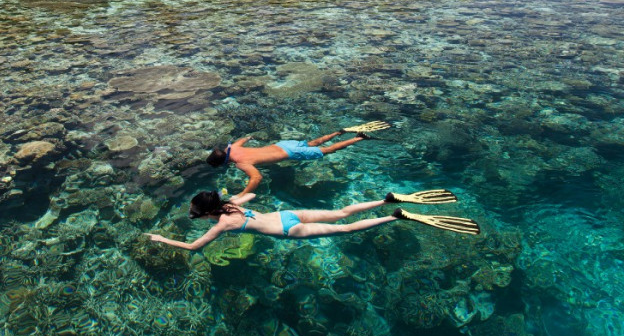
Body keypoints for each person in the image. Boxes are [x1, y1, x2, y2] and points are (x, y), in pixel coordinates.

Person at [147, 189, 479, 250]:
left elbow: (194, 247)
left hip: (290, 229)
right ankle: (385, 199)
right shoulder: (230, 206)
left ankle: (395, 216)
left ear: (207, 213)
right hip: (288, 213)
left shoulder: (223, 224)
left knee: (346, 228)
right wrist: (229, 195)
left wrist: (163, 239)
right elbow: (251, 195)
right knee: (344, 211)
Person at [205, 121, 391, 197]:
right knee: (312, 143)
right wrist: (250, 137)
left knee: (327, 151)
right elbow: (242, 139)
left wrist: (243, 194)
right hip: (283, 144)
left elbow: (257, 177)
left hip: (290, 154)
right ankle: (339, 132)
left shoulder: (241, 164)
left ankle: (359, 138)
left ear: (224, 163)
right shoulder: (232, 148)